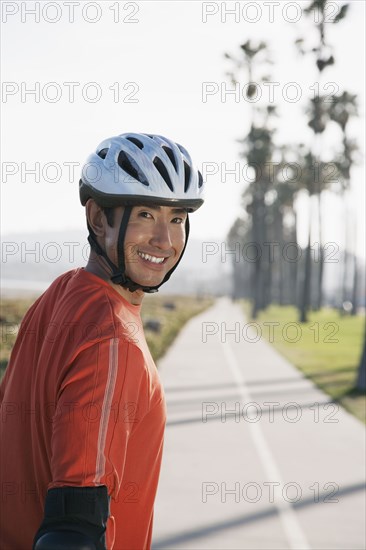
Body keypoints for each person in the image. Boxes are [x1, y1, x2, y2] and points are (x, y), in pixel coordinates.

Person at [0, 133, 204, 550]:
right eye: (146, 214)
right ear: (98, 219)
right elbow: (73, 528)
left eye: (178, 218)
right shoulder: (114, 339)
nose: (165, 240)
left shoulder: (60, 294)